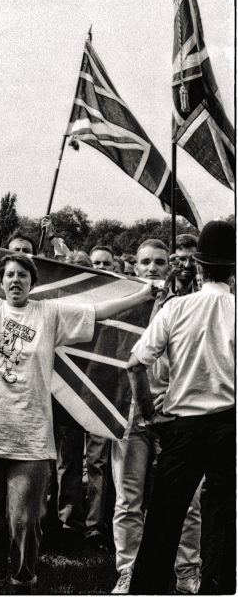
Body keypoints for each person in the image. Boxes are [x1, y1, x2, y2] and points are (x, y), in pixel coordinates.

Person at [0, 224, 155, 593]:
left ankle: (23, 578)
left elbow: (99, 310)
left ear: (32, 283)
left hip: (32, 437)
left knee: (24, 520)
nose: (16, 280)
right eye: (9, 275)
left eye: (23, 275)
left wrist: (141, 294)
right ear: (1, 282)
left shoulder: (49, 313)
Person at [127, 220, 235, 594]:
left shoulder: (176, 309)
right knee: (222, 519)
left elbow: (135, 363)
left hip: (182, 425)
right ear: (234, 269)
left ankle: (147, 589)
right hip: (227, 425)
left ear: (200, 267)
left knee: (163, 521)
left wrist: (149, 413)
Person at [111, 239, 202, 594]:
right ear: (134, 266)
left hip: (175, 412)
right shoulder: (123, 305)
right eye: (145, 261)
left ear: (171, 266)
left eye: (159, 262)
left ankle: (186, 571)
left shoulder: (188, 307)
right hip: (131, 413)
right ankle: (128, 569)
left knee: (189, 500)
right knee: (128, 498)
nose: (152, 267)